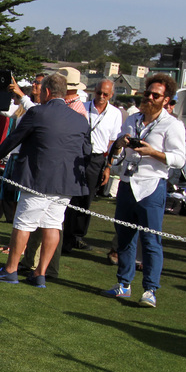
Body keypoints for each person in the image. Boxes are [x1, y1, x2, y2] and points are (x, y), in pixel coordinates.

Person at [0, 72, 90, 288]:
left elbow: (14, 139)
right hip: (66, 182)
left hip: (39, 178)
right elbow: (86, 150)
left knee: (24, 223)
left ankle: (11, 269)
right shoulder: (80, 119)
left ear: (47, 91)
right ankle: (40, 273)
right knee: (53, 225)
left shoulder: (38, 113)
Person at [103, 73, 186, 307]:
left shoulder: (173, 125)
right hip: (128, 183)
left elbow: (180, 159)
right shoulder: (132, 119)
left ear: (165, 99)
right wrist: (120, 144)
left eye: (155, 95)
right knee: (125, 237)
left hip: (152, 186)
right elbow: (121, 149)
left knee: (151, 241)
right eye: (147, 93)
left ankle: (150, 289)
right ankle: (123, 284)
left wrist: (153, 153)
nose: (149, 97)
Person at [63, 79, 122, 253]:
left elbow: (113, 142)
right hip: (77, 156)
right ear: (93, 92)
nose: (101, 97)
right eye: (99, 93)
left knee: (86, 198)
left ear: (111, 95)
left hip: (97, 158)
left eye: (106, 94)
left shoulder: (115, 113)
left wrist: (108, 166)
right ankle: (66, 236)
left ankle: (77, 236)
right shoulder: (83, 107)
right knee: (71, 196)